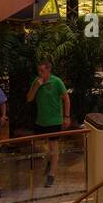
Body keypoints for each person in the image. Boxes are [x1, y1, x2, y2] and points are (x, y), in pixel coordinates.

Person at [26, 59, 70, 187]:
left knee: (53, 146)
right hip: (41, 120)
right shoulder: (36, 82)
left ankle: (51, 175)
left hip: (54, 120)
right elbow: (29, 99)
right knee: (42, 145)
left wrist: (66, 116)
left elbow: (66, 99)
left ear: (48, 70)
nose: (40, 73)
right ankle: (51, 160)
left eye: (42, 71)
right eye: (38, 71)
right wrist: (36, 86)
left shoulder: (56, 82)